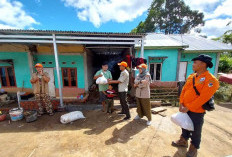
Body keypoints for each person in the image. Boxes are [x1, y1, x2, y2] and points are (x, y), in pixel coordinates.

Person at [172, 54, 219, 157]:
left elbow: (203, 98)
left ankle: (194, 148)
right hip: (185, 107)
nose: (193, 64)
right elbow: (184, 90)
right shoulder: (192, 76)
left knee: (196, 130)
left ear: (203, 64)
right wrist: (181, 103)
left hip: (197, 110)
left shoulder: (211, 80)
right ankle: (183, 141)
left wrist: (189, 107)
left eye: (195, 62)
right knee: (184, 125)